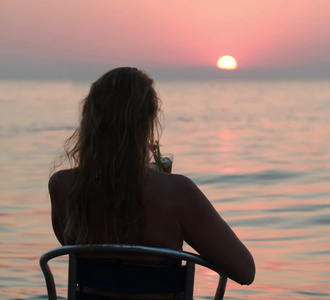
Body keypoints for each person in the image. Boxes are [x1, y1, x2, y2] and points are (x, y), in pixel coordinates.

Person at [48, 67, 255, 286]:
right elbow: (244, 271)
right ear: (148, 120)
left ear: (90, 118)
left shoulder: (62, 186)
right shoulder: (177, 192)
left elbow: (73, 246)